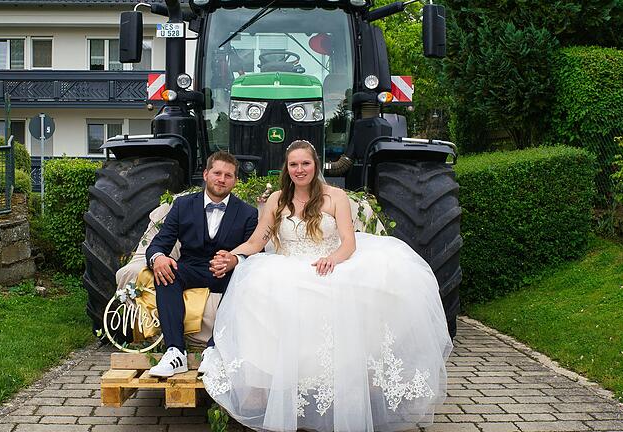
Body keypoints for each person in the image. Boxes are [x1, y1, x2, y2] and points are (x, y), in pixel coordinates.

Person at [201, 140, 453, 431]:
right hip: (287, 265)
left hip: (330, 262)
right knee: (260, 288)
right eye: (293, 164)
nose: (299, 169)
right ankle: (273, 388)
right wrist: (234, 255)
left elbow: (349, 242)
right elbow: (258, 240)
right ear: (287, 168)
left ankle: (347, 387)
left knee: (359, 288)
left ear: (315, 165)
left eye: (305, 163)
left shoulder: (336, 197)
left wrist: (332, 259)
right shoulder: (277, 200)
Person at [146, 151, 258, 377]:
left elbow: (256, 251)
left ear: (235, 181)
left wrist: (235, 260)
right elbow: (159, 244)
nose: (222, 179)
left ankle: (214, 351)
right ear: (206, 174)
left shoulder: (248, 213)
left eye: (228, 175)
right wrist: (158, 258)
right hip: (191, 268)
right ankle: (175, 352)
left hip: (226, 273)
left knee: (245, 280)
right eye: (217, 173)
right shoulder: (182, 205)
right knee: (166, 273)